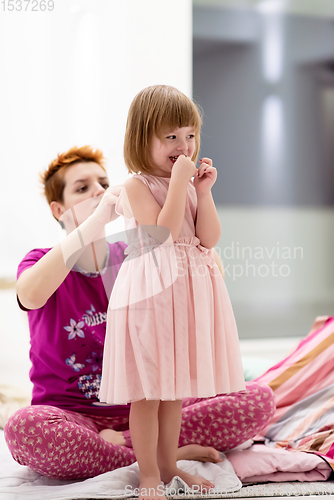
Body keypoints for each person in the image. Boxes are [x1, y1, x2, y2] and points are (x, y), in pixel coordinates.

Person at [4, 145, 275, 481]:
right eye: (82, 187)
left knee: (257, 398)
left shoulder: (135, 252)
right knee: (24, 428)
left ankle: (142, 451)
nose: (100, 191)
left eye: (103, 183)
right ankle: (163, 455)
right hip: (75, 418)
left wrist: (187, 198)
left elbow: (208, 268)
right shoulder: (41, 259)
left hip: (152, 407)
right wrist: (97, 218)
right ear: (58, 209)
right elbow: (30, 295)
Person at [98, 85, 258, 498]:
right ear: (142, 139)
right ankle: (148, 472)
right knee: (149, 391)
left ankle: (170, 465)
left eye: (189, 135)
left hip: (185, 295)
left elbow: (208, 238)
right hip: (150, 297)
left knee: (173, 392)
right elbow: (163, 234)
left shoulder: (186, 183)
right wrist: (179, 185)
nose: (183, 145)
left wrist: (202, 192)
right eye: (170, 136)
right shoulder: (135, 187)